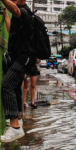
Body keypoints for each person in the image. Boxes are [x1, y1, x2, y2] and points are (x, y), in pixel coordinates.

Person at [1, 0, 37, 143]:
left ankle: (15, 127)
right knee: (15, 87)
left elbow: (15, 9)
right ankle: (19, 119)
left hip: (24, 58)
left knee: (7, 85)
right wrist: (6, 17)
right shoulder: (18, 17)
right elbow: (11, 32)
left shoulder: (24, 12)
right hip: (19, 57)